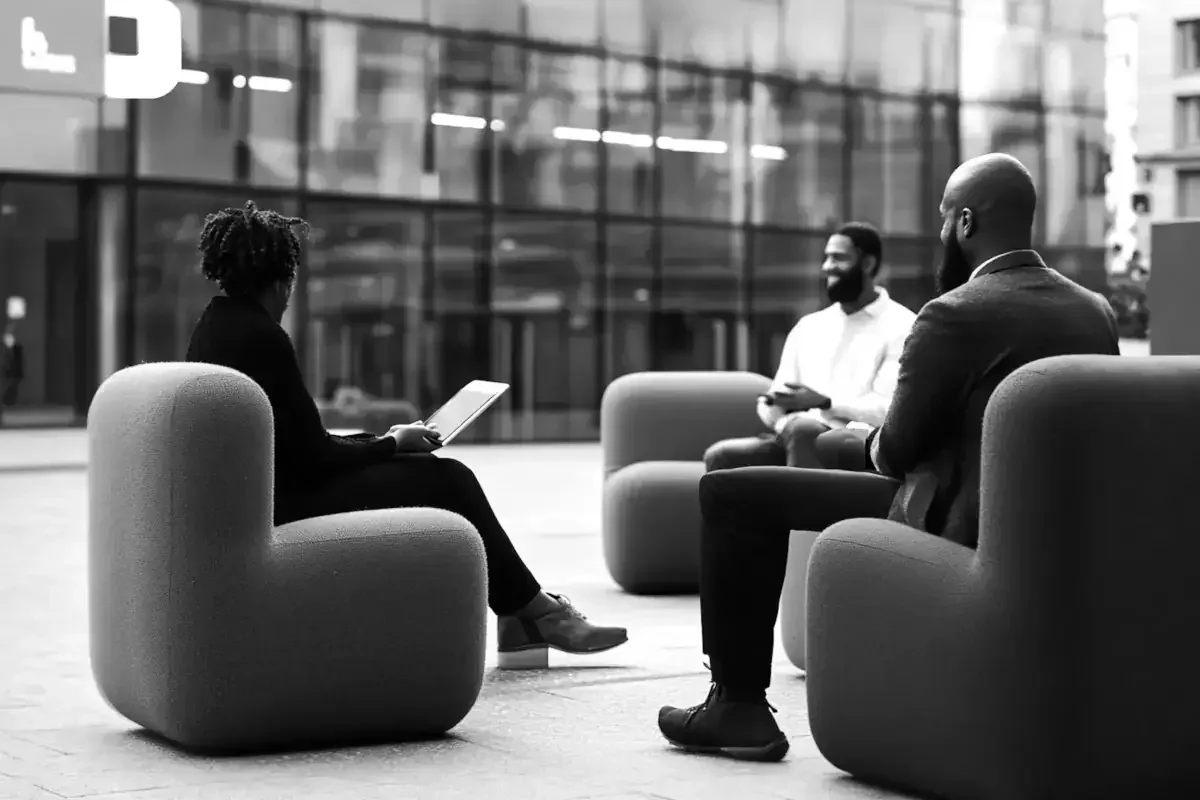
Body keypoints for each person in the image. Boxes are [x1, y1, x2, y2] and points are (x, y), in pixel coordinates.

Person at [657, 153, 1121, 761]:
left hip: (953, 517)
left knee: (730, 492)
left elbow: (896, 449)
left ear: (964, 223)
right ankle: (735, 706)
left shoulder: (954, 313)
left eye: (942, 219)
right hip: (1056, 529)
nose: (939, 233)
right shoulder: (1093, 310)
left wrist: (853, 440)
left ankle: (736, 707)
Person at [185, 201, 627, 664]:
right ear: (283, 279)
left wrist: (387, 441)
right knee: (449, 479)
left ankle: (522, 614)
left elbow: (295, 443)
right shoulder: (261, 336)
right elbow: (313, 457)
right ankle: (536, 612)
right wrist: (390, 444)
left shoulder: (215, 327)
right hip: (287, 501)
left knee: (423, 464)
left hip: (266, 493)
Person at [704, 222, 915, 471]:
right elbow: (773, 407)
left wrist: (826, 402)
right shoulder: (810, 326)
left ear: (867, 264)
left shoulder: (903, 326)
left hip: (858, 441)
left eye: (838, 258)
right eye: (826, 258)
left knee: (805, 429)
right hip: (795, 434)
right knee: (722, 457)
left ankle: (803, 507)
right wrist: (777, 405)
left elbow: (887, 411)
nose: (827, 267)